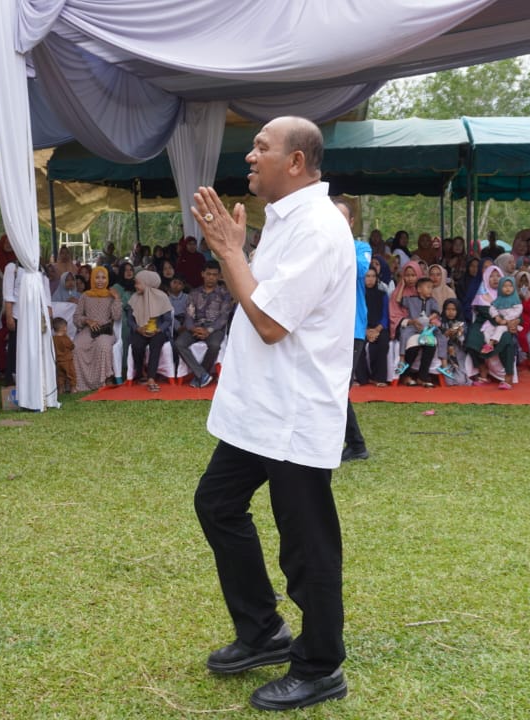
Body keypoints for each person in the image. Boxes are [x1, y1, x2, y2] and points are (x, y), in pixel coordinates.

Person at [189, 116, 351, 711]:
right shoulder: (286, 219)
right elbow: (264, 295)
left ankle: (320, 666)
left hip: (295, 413)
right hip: (262, 410)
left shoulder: (317, 229)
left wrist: (230, 253)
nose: (250, 156)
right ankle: (262, 632)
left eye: (262, 147)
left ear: (297, 163)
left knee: (307, 546)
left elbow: (269, 321)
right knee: (217, 503)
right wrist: (238, 251)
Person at [336, 200, 371, 461]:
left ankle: (356, 444)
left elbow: (360, 269)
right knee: (327, 386)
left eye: (340, 218)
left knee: (338, 388)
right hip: (325, 328)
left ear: (350, 223)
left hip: (352, 329)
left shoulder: (361, 248)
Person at [175, 262, 232, 389]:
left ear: (219, 276)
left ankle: (200, 375)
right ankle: (203, 375)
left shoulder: (224, 294)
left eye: (214, 275)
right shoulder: (194, 293)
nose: (211, 277)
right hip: (195, 328)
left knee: (215, 345)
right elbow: (189, 315)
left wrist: (208, 330)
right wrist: (193, 329)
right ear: (203, 274)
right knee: (179, 343)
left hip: (214, 329)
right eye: (208, 274)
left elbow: (223, 317)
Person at [71, 266, 123, 392]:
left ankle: (104, 380)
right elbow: (77, 316)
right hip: (88, 330)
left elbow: (117, 316)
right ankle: (78, 383)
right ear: (93, 278)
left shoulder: (111, 295)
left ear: (107, 279)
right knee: (77, 346)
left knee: (103, 346)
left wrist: (117, 299)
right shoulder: (85, 296)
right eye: (97, 277)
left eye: (103, 277)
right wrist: (87, 320)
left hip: (105, 330)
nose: (100, 281)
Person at [126, 269, 173, 392]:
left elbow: (168, 320)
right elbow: (129, 320)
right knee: (136, 345)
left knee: (155, 344)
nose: (135, 286)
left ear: (147, 283)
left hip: (157, 331)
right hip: (140, 330)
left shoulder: (162, 297)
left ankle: (151, 377)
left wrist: (159, 329)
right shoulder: (134, 298)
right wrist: (138, 328)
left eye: (138, 283)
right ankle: (141, 374)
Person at [354, 266, 390, 387]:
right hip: (361, 327)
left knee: (383, 343)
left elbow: (385, 316)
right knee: (357, 344)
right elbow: (355, 316)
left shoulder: (382, 294)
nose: (370, 279)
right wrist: (365, 331)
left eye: (373, 276)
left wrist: (376, 330)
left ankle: (379, 378)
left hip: (378, 327)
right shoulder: (357, 296)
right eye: (367, 276)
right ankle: (361, 378)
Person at [51, 317, 76, 393]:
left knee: (60, 376)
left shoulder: (53, 338)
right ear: (64, 328)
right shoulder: (65, 338)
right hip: (67, 360)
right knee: (71, 374)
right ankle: (73, 388)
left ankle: (61, 389)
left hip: (58, 361)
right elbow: (71, 346)